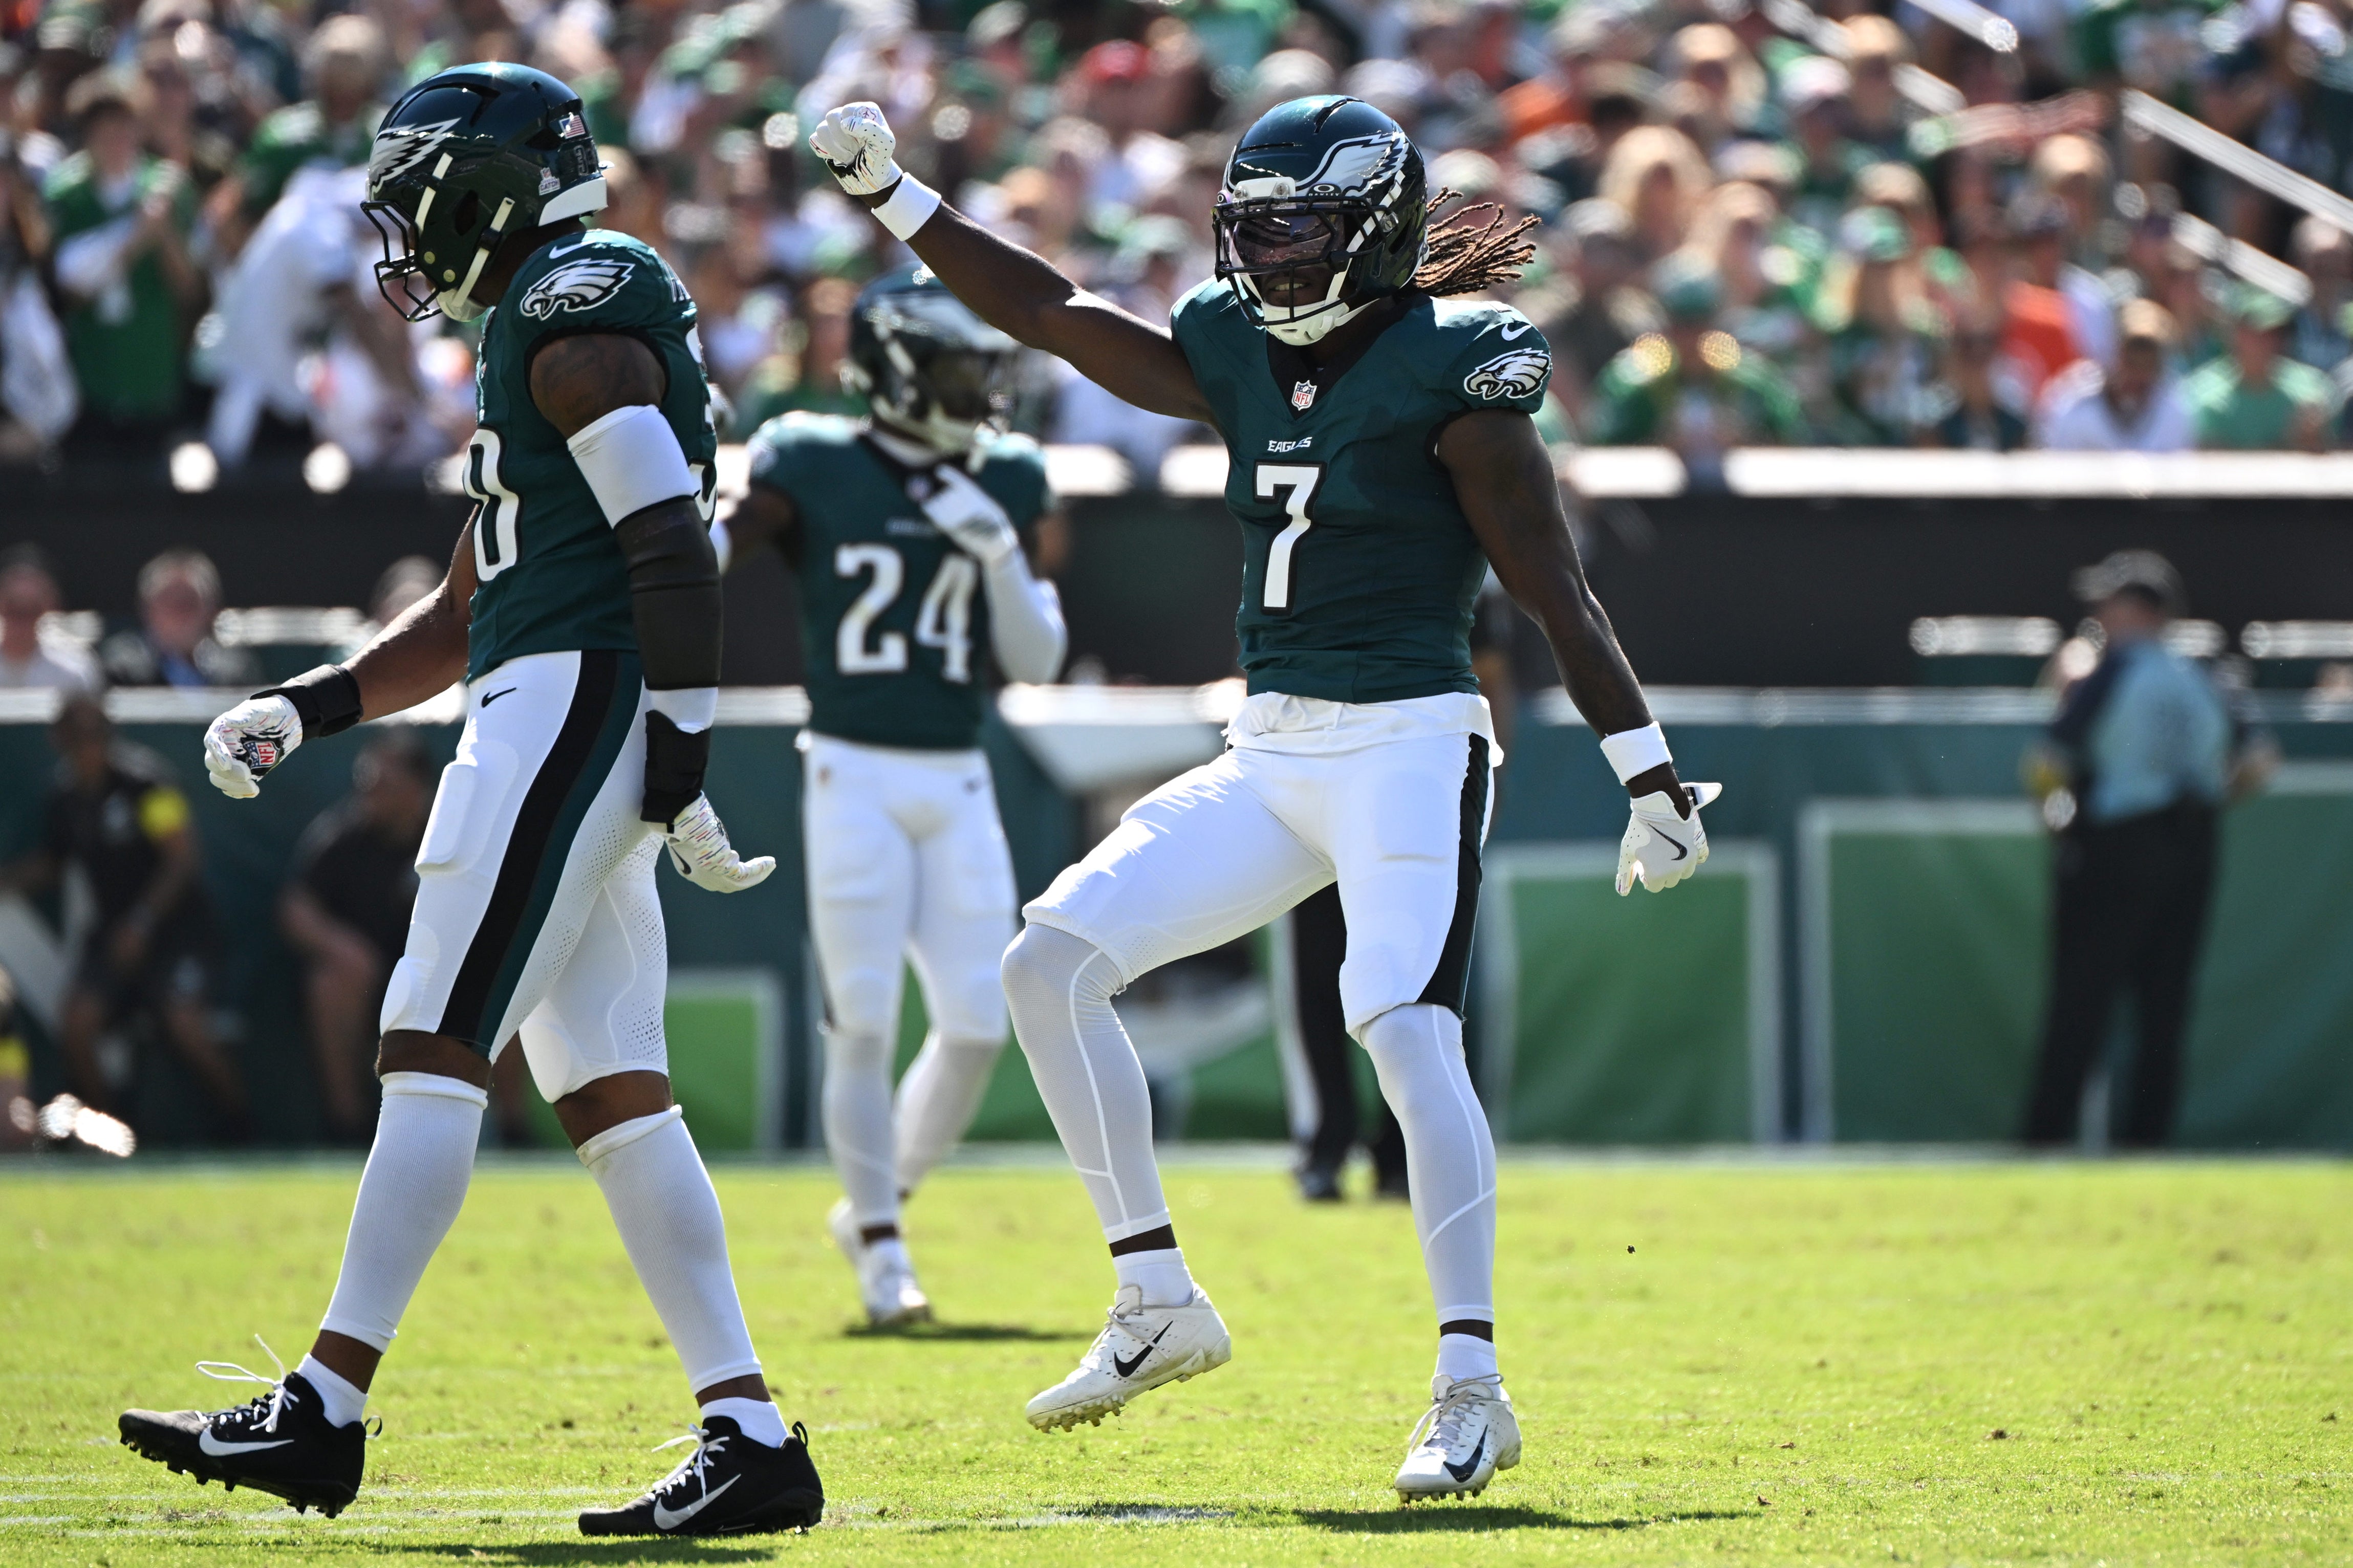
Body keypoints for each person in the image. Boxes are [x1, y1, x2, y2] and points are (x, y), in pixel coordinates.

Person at [809, 92, 1721, 1500]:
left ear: (1369, 230)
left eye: (1299, 230)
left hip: (1409, 740)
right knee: (1047, 963)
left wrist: (1643, 768)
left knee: (1402, 1030)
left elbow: (1550, 585)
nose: (1271, 259)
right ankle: (1155, 1299)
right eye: (1253, 230)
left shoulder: (1455, 365)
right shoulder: (1232, 349)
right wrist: (897, 201)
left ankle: (1470, 1389)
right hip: (1271, 748)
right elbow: (1052, 312)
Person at [116, 64, 822, 1539]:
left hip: (568, 709)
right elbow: (467, 602)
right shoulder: (541, 320)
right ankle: (748, 1433)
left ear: (485, 187)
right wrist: (309, 704)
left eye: (421, 197)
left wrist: (682, 751)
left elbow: (671, 547)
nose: (408, 238)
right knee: (615, 1094)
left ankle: (323, 1407)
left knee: (433, 1044)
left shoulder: (574, 302)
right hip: (557, 691)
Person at [718, 268, 1067, 1326]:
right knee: (861, 1015)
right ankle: (881, 1249)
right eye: (961, 367)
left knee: (974, 1022)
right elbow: (718, 550)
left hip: (957, 772)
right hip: (851, 767)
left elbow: (1039, 660)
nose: (981, 389)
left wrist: (999, 551)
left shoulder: (1005, 475)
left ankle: (880, 1196)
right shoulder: (813, 460)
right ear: (900, 373)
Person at [2021, 551, 2265, 1147]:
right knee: (2165, 1005)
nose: (2100, 616)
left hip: (2116, 843)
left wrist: (2061, 819)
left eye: (2110, 604)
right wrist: (2208, 803)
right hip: (2192, 844)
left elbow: (2045, 764)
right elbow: (2259, 762)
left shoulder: (2112, 671)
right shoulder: (2206, 674)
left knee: (2081, 999)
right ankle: (2147, 1143)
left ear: (2140, 612)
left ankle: (2046, 1139)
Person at [0, 693, 249, 1136]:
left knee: (184, 1021)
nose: (88, 748)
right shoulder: (64, 797)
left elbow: (182, 858)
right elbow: (53, 862)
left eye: (97, 736)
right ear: (59, 741)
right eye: (76, 738)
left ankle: (240, 1123)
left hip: (176, 933)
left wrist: (143, 922)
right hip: (113, 936)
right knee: (77, 1022)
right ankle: (115, 1135)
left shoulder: (145, 785)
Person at [280, 733, 435, 1145]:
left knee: (499, 976)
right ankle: (347, 1126)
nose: (370, 791)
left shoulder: (450, 834)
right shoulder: (343, 836)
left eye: (384, 782)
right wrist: (341, 947)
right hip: (370, 985)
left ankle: (513, 1130)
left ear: (416, 785)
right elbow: (297, 909)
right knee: (331, 982)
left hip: (440, 981)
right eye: (366, 781)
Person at [2187, 286, 2337, 451]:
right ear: (2235, 334)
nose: (2266, 342)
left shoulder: (2312, 388)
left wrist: (2312, 438)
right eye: (2256, 332)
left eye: (2274, 332)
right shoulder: (2203, 394)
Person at [2033, 299, 2195, 451]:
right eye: (2132, 359)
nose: (2138, 373)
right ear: (2115, 352)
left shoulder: (2175, 410)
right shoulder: (2071, 401)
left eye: (2148, 361)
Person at [98, 549, 259, 690]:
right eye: (169, 601)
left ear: (212, 611)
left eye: (190, 602)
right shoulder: (121, 670)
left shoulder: (236, 672)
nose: (180, 613)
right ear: (148, 609)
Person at [0, 545, 99, 691]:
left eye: (31, 610)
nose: (21, 620)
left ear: (48, 608)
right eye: (14, 610)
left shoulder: (74, 669)